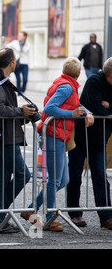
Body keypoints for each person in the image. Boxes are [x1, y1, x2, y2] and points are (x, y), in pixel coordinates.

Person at [21, 57, 93, 232]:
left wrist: (87, 112)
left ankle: (31, 209)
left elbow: (76, 105)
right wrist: (72, 114)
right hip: (53, 135)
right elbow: (49, 109)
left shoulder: (67, 85)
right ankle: (50, 218)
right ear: (78, 73)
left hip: (59, 135)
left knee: (63, 180)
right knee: (54, 180)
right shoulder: (67, 87)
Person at [0, 47, 35, 234]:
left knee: (4, 177)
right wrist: (21, 111)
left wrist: (24, 113)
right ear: (12, 62)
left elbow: (4, 107)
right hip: (5, 137)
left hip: (8, 135)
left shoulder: (1, 79)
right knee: (23, 175)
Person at [67, 57, 112, 230]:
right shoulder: (94, 80)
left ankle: (106, 217)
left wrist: (108, 106)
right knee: (75, 175)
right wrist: (106, 108)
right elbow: (95, 107)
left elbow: (102, 109)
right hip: (81, 136)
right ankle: (74, 213)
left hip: (99, 139)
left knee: (100, 177)